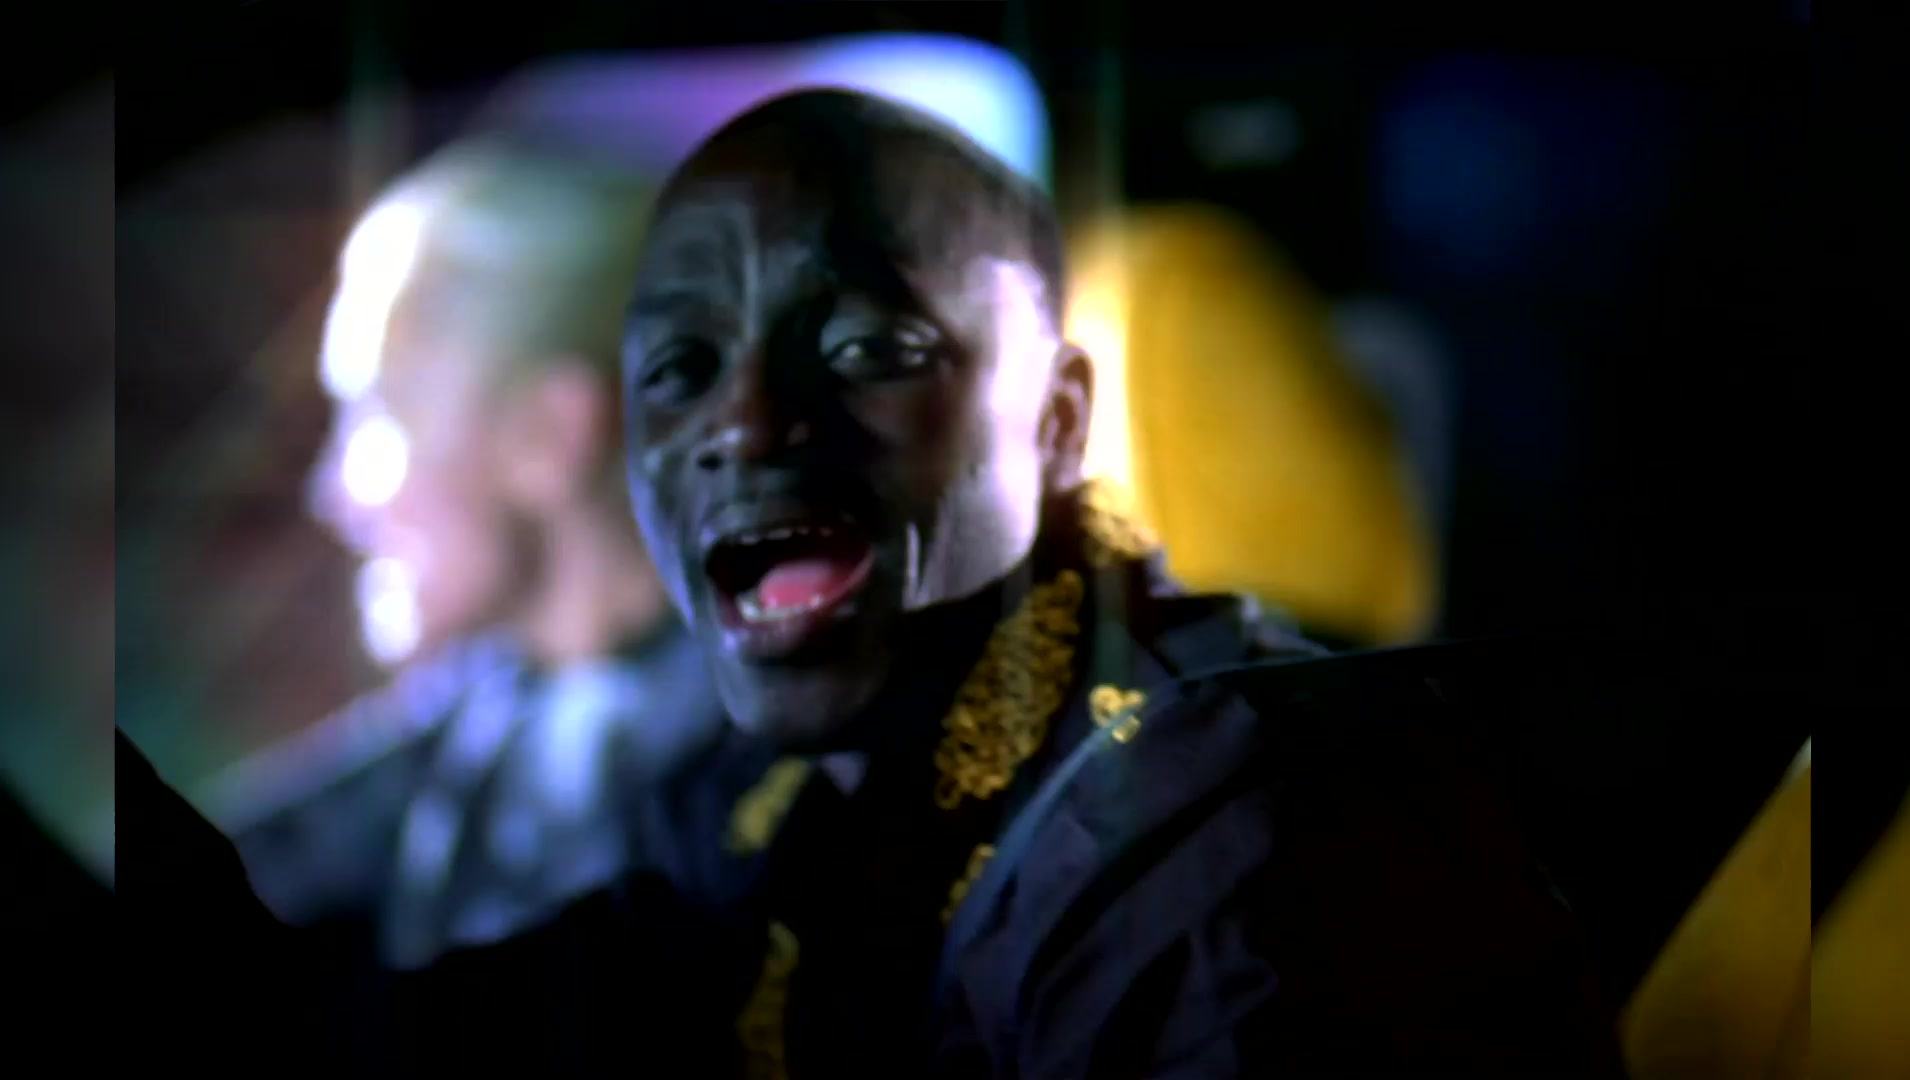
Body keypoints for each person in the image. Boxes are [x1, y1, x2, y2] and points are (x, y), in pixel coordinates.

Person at [121, 89, 1624, 1076]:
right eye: (681, 369)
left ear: (1055, 424)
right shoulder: (800, 806)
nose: (747, 423)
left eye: (865, 349)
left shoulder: (1222, 847)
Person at [207, 134, 723, 976]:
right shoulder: (484, 719)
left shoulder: (766, 765)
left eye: (380, 416)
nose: (334, 493)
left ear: (549, 434)